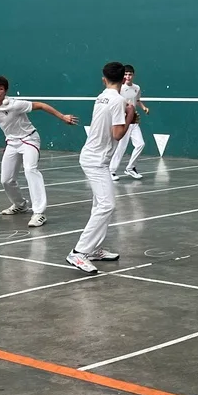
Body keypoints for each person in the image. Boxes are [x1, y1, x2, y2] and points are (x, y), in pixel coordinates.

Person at [0, 75, 79, 227]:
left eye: (1, 89)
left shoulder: (15, 104)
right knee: (6, 180)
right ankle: (20, 205)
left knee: (30, 170)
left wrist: (62, 116)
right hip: (12, 143)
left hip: (29, 140)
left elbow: (41, 105)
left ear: (5, 91)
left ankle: (39, 213)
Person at [66, 61, 137, 273]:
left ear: (103, 79)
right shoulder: (118, 101)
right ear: (123, 79)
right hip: (95, 161)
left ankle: (94, 249)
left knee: (100, 205)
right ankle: (78, 252)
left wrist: (127, 115)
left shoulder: (102, 96)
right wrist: (130, 115)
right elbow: (117, 134)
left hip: (96, 158)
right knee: (107, 205)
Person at [110, 64, 151, 180]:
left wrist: (144, 108)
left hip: (134, 121)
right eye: (126, 74)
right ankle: (111, 171)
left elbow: (137, 100)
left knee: (140, 144)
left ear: (133, 75)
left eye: (130, 74)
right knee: (121, 147)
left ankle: (130, 168)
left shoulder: (136, 88)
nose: (128, 77)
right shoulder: (119, 88)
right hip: (123, 121)